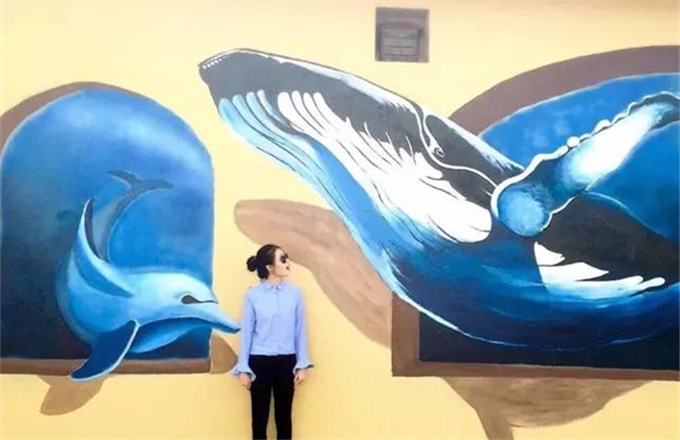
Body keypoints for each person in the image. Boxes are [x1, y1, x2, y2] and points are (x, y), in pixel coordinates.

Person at [232, 244, 313, 440]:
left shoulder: (295, 294)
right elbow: (247, 333)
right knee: (259, 420)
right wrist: (243, 368)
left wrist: (302, 364)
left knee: (284, 419)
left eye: (287, 257)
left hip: (286, 361)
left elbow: (300, 330)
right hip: (259, 362)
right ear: (269, 267)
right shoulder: (252, 295)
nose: (287, 262)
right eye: (282, 259)